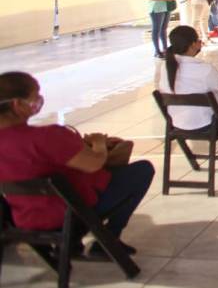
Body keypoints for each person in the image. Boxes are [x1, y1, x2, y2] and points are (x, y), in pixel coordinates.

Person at [0, 71, 155, 257]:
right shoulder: (46, 136)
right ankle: (110, 238)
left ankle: (73, 244)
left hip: (24, 218)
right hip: (70, 214)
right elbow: (93, 164)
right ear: (17, 104)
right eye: (35, 97)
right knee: (142, 170)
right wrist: (99, 143)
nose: (39, 101)